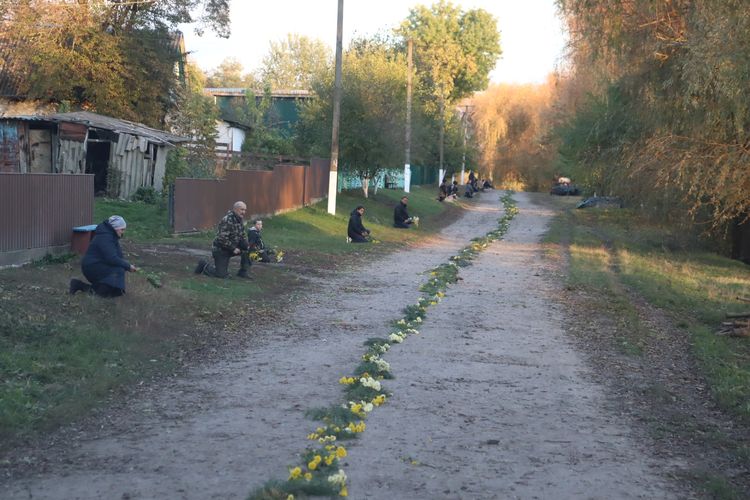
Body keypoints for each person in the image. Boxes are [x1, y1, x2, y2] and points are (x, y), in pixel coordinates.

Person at [69, 215, 137, 297]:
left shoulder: (111, 236)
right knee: (117, 271)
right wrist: (128, 266)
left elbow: (118, 256)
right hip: (92, 266)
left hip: (99, 264)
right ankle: (80, 285)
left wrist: (126, 265)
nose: (123, 232)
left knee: (117, 291)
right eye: (122, 229)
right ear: (115, 228)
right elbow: (112, 258)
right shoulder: (105, 237)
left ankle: (89, 288)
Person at [195, 201, 252, 279]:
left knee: (248, 247)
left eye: (245, 210)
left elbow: (242, 235)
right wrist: (233, 248)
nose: (244, 212)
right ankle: (204, 265)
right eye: (242, 210)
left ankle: (243, 272)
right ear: (235, 209)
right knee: (221, 275)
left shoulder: (239, 219)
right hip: (221, 249)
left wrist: (247, 245)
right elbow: (221, 239)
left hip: (232, 247)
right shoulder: (227, 220)